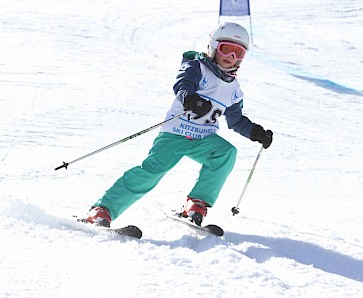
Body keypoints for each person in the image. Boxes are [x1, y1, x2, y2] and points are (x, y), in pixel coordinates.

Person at [84, 22, 273, 227]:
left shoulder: (234, 89)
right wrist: (190, 99)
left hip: (203, 139)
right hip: (176, 133)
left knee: (226, 153)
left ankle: (196, 204)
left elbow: (236, 121)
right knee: (152, 172)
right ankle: (103, 210)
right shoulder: (197, 66)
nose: (231, 57)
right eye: (226, 49)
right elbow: (183, 84)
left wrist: (255, 132)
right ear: (213, 47)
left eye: (239, 53)